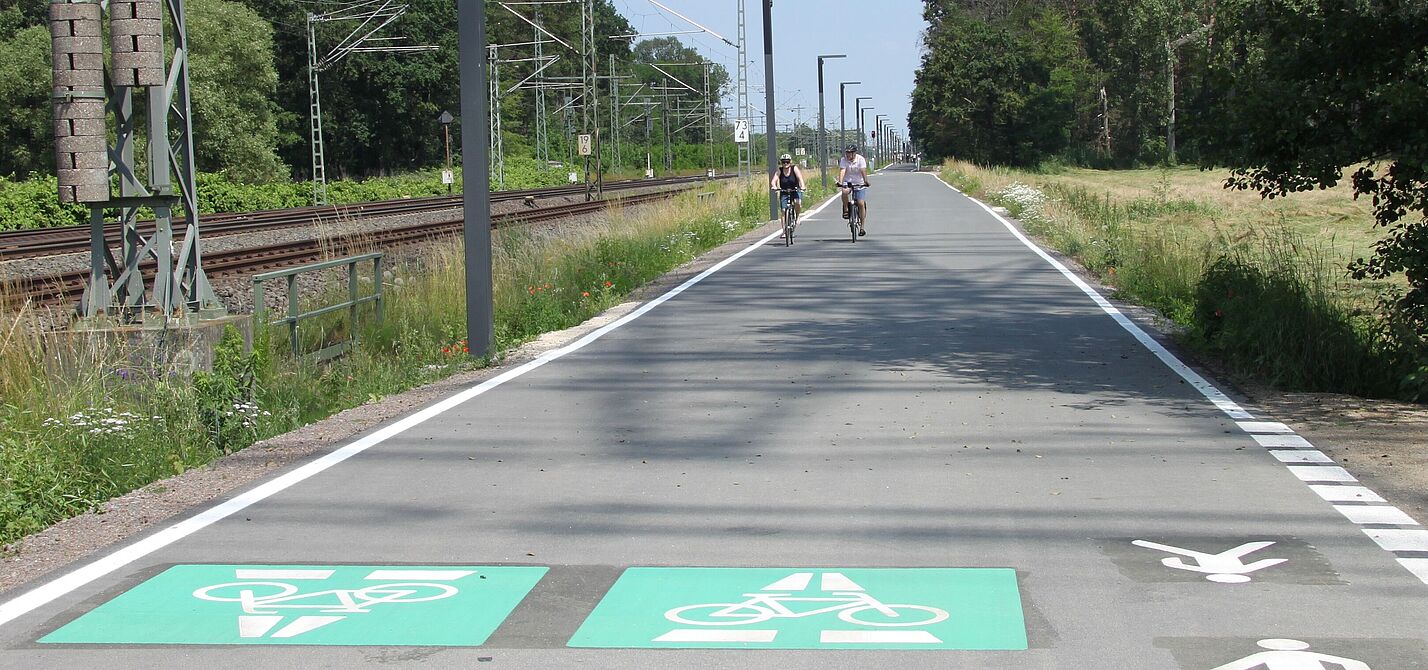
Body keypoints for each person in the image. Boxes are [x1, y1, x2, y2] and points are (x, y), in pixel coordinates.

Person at [837, 144, 870, 236]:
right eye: (847, 153)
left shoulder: (860, 159)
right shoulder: (844, 160)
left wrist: (866, 181)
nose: (848, 155)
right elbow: (842, 171)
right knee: (844, 192)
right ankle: (846, 209)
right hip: (848, 182)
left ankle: (862, 228)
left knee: (860, 203)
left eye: (850, 153)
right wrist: (840, 181)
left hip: (859, 182)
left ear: (854, 153)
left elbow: (863, 170)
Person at [770, 153, 806, 222]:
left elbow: (800, 178)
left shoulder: (794, 168)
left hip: (795, 189)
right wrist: (774, 186)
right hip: (784, 191)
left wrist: (802, 186)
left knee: (797, 202)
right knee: (783, 210)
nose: (785, 163)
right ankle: (784, 230)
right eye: (783, 162)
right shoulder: (779, 170)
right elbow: (773, 181)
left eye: (787, 161)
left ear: (790, 162)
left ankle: (797, 216)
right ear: (781, 163)